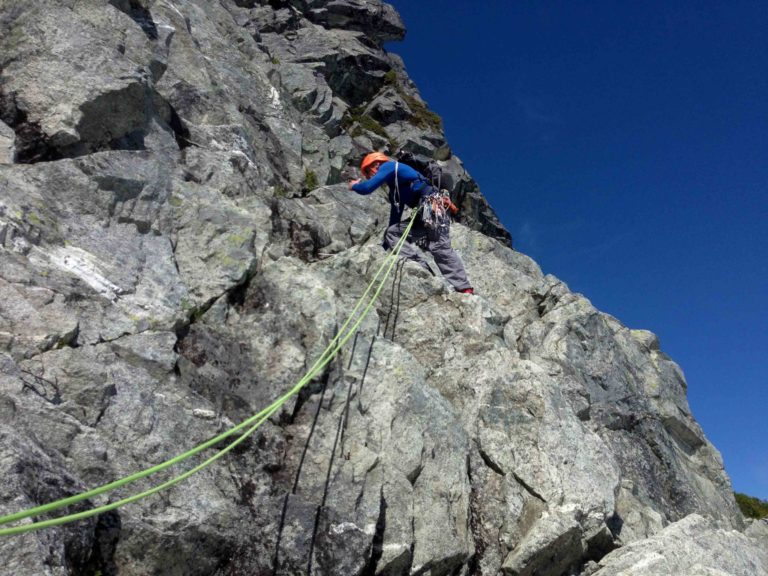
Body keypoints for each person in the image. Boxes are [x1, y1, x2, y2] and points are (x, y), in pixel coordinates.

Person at [348, 152, 474, 294]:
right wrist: (384, 248)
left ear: (376, 164)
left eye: (367, 171)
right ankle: (421, 268)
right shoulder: (394, 190)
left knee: (440, 247)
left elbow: (366, 188)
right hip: (422, 216)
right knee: (393, 232)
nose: (369, 176)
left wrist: (354, 186)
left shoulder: (390, 166)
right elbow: (394, 219)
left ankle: (465, 288)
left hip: (432, 207)